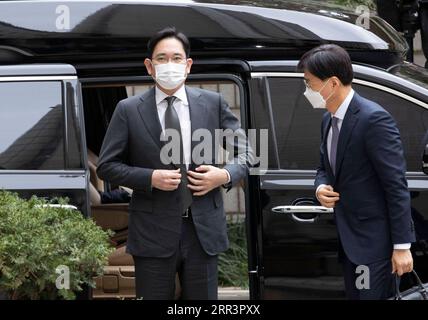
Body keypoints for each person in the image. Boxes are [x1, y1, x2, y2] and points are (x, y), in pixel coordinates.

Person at [96, 27, 249, 300]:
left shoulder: (213, 103)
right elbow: (107, 165)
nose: (170, 65)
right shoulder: (128, 110)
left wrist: (223, 175)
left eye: (177, 58)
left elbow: (249, 155)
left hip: (202, 232)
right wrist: (150, 177)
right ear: (149, 66)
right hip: (152, 233)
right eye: (162, 58)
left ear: (188, 65)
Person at [297, 44, 416, 300]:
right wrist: (321, 187)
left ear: (332, 83)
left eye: (309, 83)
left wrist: (402, 246)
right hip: (350, 244)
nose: (306, 90)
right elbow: (324, 167)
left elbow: (396, 185)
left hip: (375, 247)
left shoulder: (373, 120)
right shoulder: (328, 119)